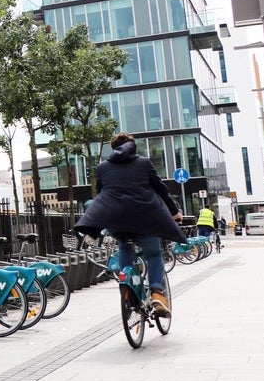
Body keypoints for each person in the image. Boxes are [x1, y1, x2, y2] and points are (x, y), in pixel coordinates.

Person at [75, 133, 186, 317]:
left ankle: (127, 290)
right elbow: (162, 190)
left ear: (114, 148)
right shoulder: (144, 163)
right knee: (153, 253)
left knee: (125, 247)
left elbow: (102, 195)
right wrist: (175, 213)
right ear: (132, 146)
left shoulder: (102, 167)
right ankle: (157, 293)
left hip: (116, 219)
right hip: (144, 218)